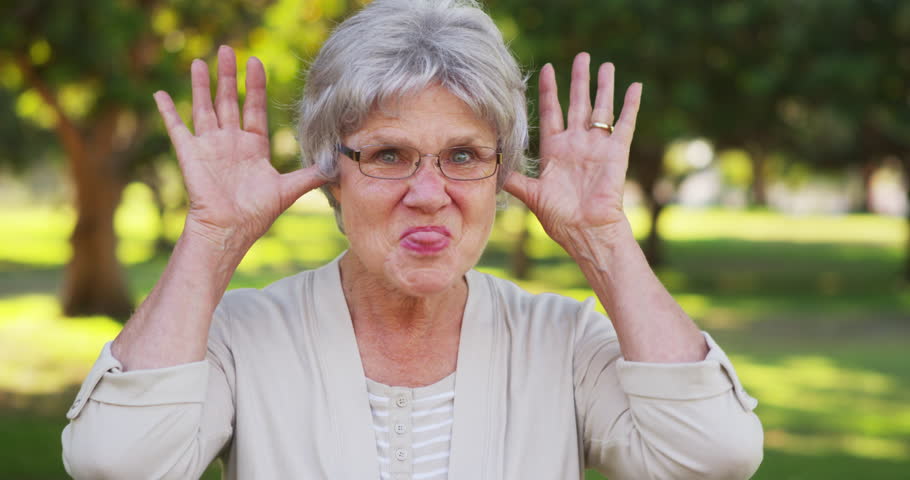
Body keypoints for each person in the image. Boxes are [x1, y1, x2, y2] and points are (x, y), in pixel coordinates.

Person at [61, 0, 763, 478]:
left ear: (501, 174)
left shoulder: (563, 341)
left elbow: (715, 454)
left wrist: (604, 239)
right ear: (332, 175)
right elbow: (115, 461)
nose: (429, 195)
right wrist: (213, 237)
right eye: (389, 155)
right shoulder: (243, 336)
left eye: (463, 156)